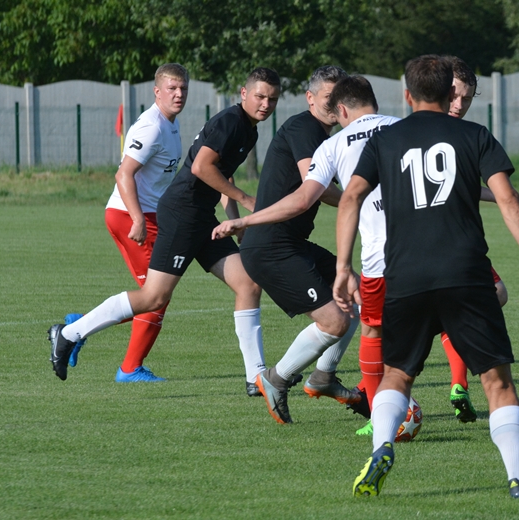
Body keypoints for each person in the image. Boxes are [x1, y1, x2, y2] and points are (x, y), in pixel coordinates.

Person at [334, 55, 519, 499]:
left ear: (407, 95)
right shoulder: (475, 135)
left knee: (397, 374)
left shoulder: (385, 140)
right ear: (450, 92)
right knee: (497, 382)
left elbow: (350, 199)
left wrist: (344, 268)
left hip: (405, 274)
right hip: (465, 272)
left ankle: (382, 447)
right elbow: (508, 199)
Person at [47, 68, 281, 392]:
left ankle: (255, 377)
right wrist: (245, 199)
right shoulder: (228, 122)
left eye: (272, 99)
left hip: (201, 216)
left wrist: (236, 220)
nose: (266, 104)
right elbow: (200, 167)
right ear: (244, 94)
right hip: (181, 214)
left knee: (248, 283)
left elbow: (222, 176)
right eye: (260, 96)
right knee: (154, 297)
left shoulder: (247, 131)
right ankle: (71, 334)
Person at [212, 65, 360, 425]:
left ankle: (323, 376)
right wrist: (359, 199)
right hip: (270, 247)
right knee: (334, 321)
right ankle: (275, 378)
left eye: (340, 97)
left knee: (357, 293)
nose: (336, 105)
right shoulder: (304, 128)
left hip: (292, 242)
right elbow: (315, 188)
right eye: (328, 97)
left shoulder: (328, 137)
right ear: (310, 98)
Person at [64, 63, 189, 382]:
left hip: (145, 215)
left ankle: (79, 324)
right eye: (172, 88)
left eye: (183, 88)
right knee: (157, 297)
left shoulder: (171, 124)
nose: (178, 94)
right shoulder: (151, 126)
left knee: (155, 296)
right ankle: (128, 368)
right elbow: (123, 174)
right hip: (130, 216)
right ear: (157, 91)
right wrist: (137, 218)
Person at [441, 56, 510, 423]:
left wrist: (497, 195)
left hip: (446, 243)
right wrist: (502, 196)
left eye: (466, 98)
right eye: (453, 95)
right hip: (447, 243)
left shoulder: (452, 133)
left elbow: (456, 185)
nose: (459, 105)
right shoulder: (453, 134)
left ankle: (458, 383)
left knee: (491, 295)